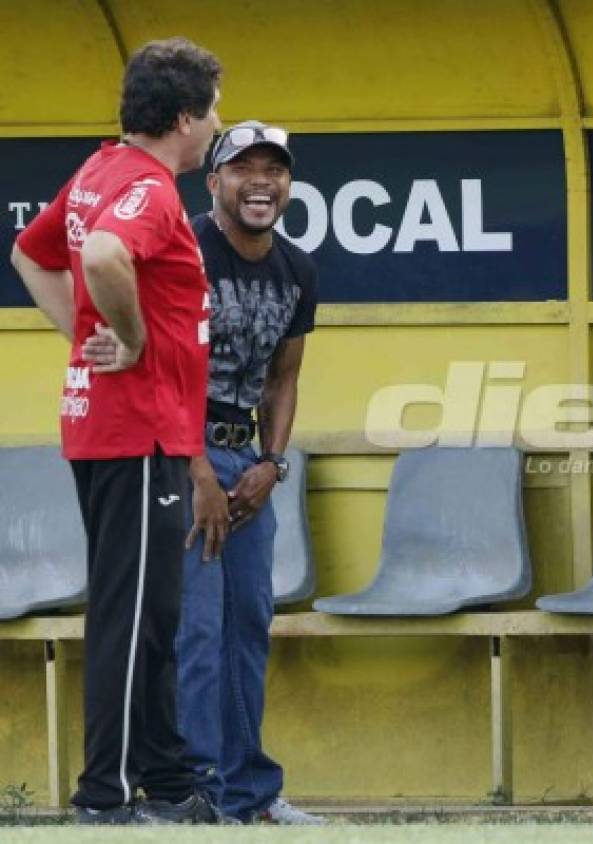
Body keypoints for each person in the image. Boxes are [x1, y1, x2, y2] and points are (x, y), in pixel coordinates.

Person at [9, 38, 223, 824]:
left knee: (152, 613)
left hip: (128, 430)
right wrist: (125, 344)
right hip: (134, 431)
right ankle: (104, 796)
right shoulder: (145, 186)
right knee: (130, 617)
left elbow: (29, 255)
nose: (215, 128)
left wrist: (83, 335)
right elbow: (99, 253)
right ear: (183, 117)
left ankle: (165, 781)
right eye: (212, 112)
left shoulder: (98, 171)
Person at [86, 121, 321, 824]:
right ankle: (198, 791)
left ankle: (251, 791)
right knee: (195, 630)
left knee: (248, 624)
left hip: (246, 462)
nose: (260, 181)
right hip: (178, 454)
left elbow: (284, 378)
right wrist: (197, 472)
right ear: (213, 180)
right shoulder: (180, 246)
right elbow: (159, 368)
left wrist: (272, 465)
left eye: (274, 170)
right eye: (242, 167)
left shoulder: (298, 268)